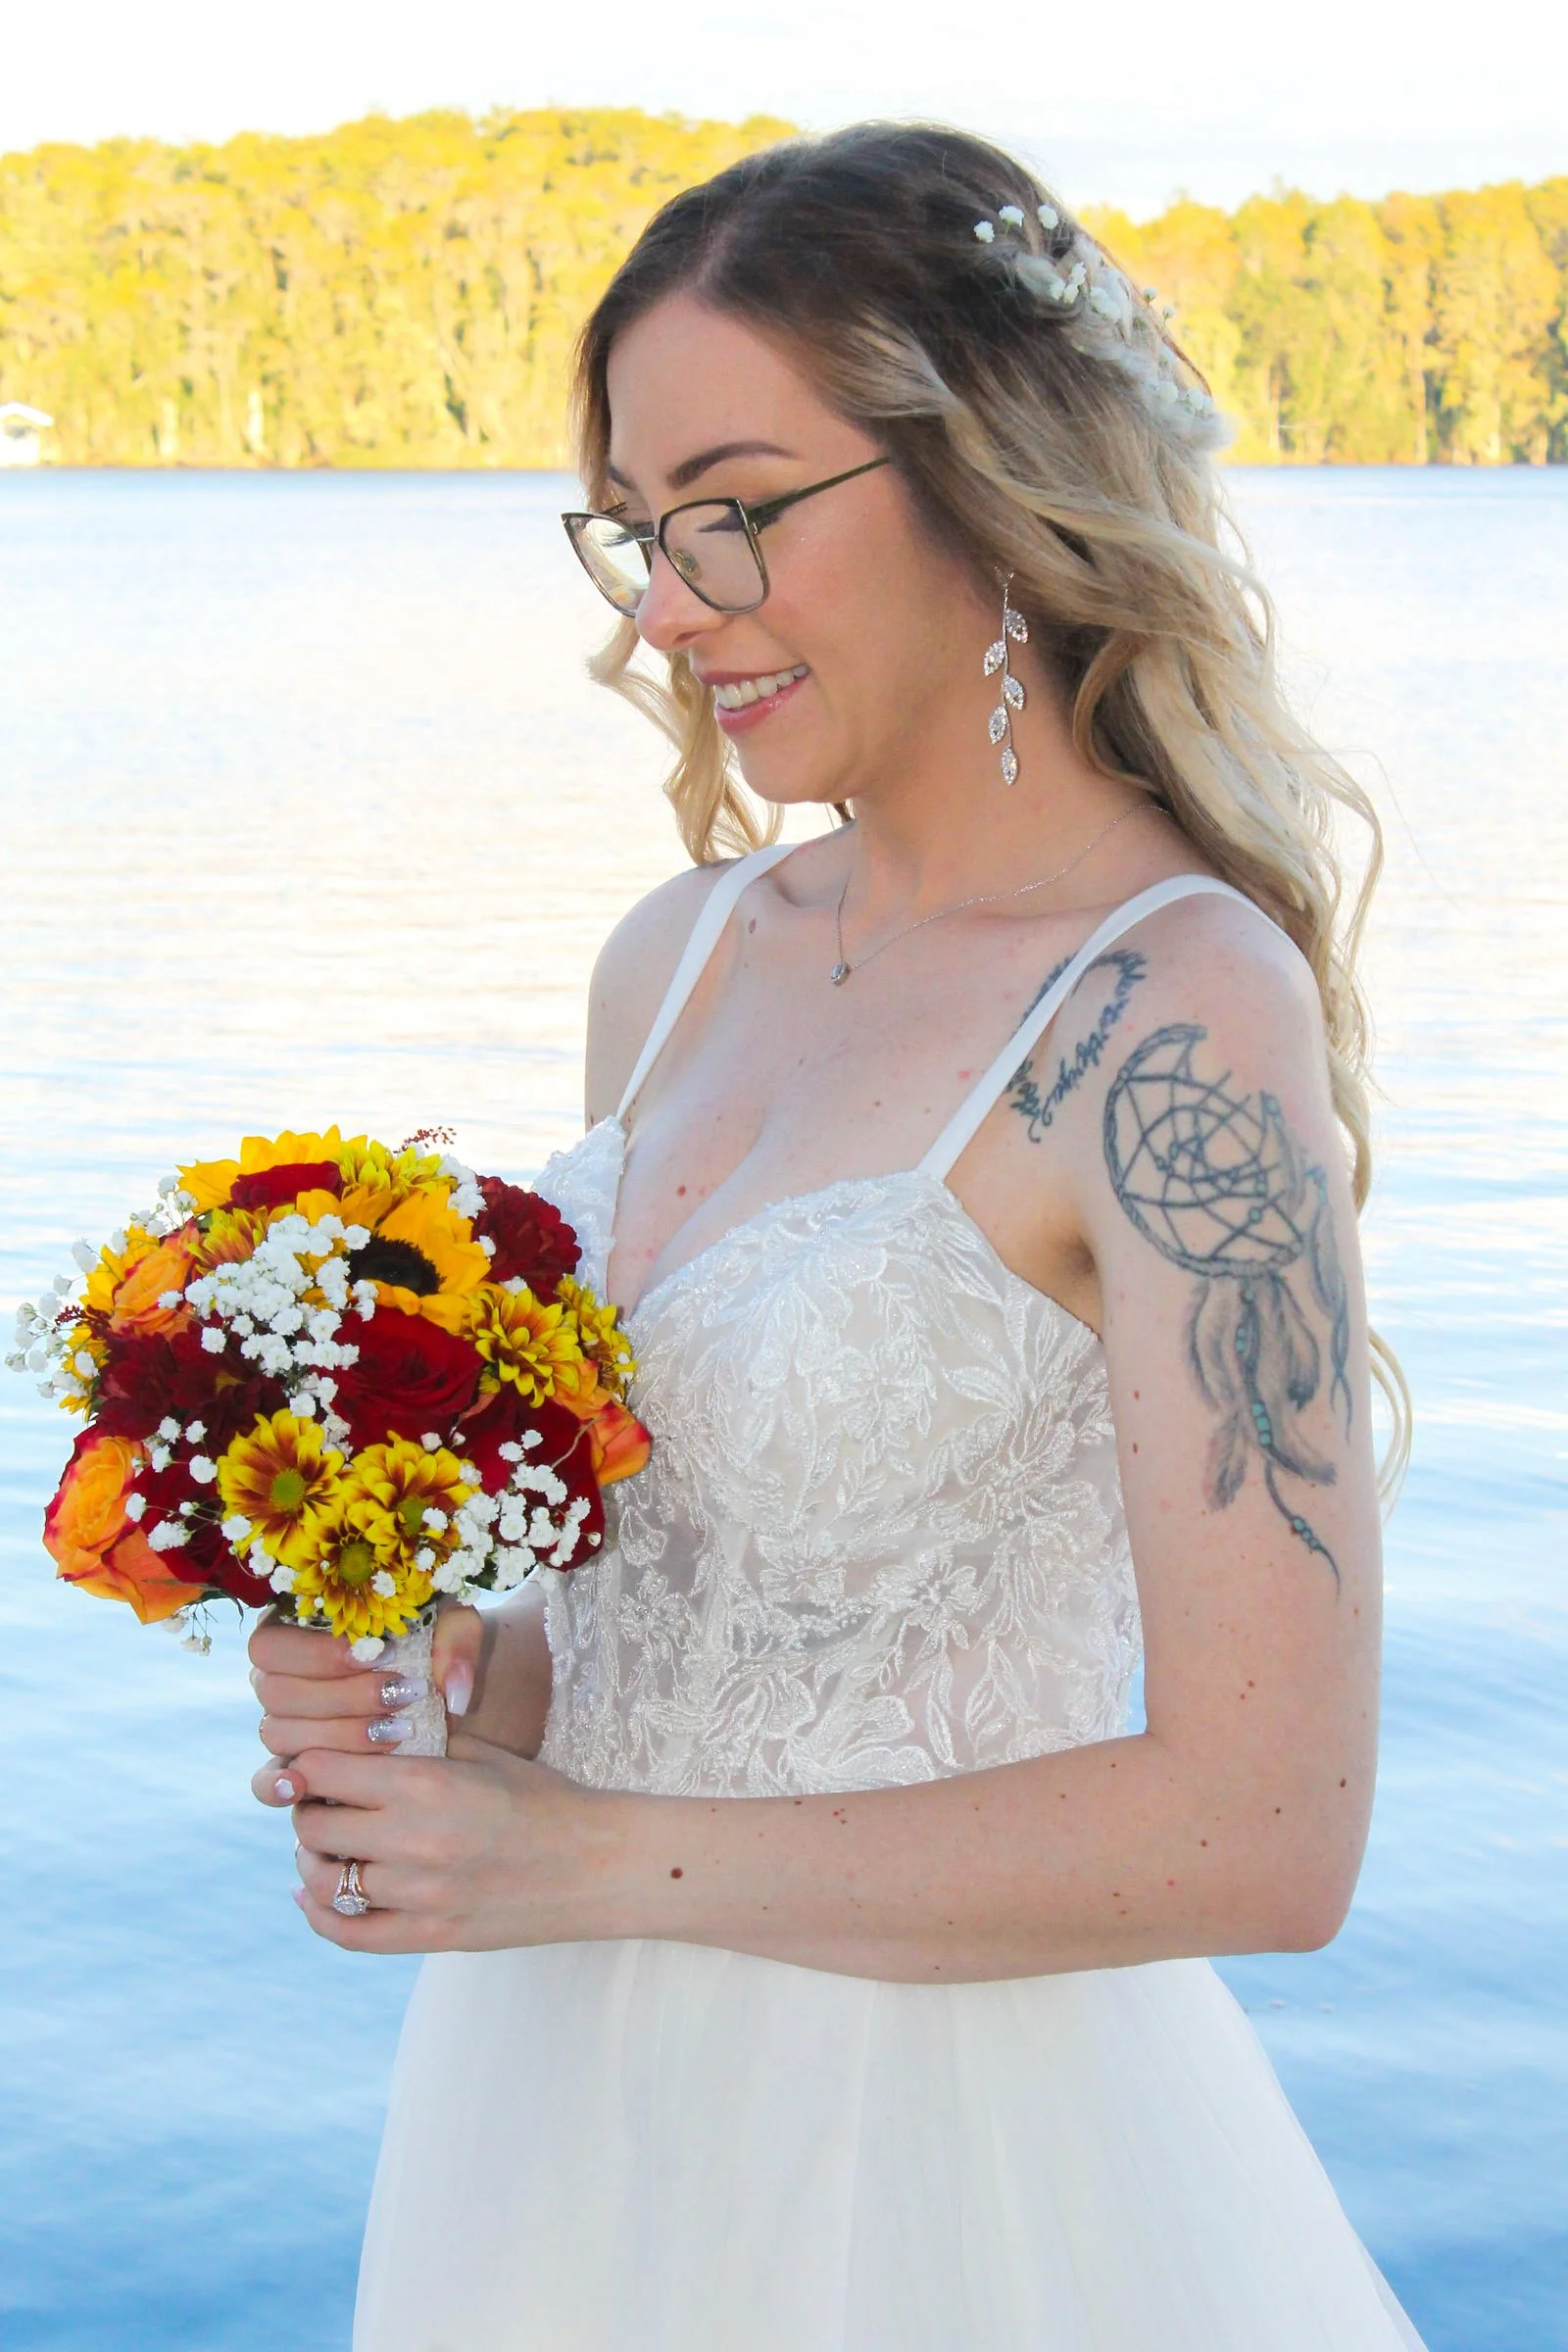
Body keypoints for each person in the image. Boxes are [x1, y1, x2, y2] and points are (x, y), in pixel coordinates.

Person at [247, 123, 1425, 2349]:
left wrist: (589, 1861)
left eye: (732, 509)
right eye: (629, 528)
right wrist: (431, 1720)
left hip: (942, 2168)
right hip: (557, 2127)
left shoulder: (1169, 1015)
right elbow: (629, 1622)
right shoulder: (674, 960)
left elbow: (1270, 1830)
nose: (666, 605)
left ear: (984, 478)